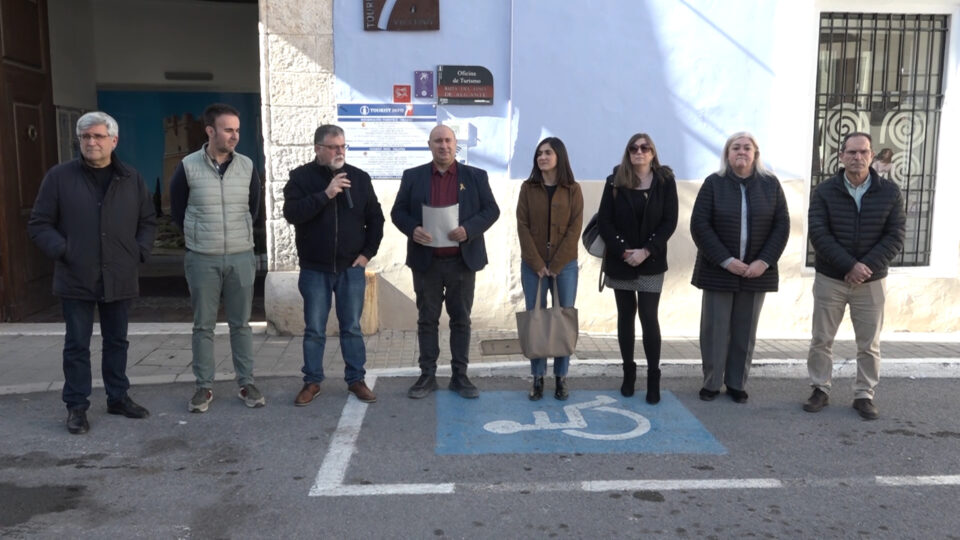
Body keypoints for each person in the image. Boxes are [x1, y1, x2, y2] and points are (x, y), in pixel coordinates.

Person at [28, 111, 157, 434]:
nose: (91, 142)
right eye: (85, 137)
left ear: (114, 140)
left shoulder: (131, 178)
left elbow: (147, 221)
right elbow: (39, 223)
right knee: (77, 345)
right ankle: (76, 406)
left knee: (117, 341)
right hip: (76, 275)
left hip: (119, 274)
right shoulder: (59, 177)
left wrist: (138, 251)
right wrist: (64, 250)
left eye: (98, 136)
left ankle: (118, 397)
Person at [390, 124, 500, 399]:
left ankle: (460, 377)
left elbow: (492, 210)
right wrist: (413, 228)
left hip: (462, 262)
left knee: (461, 320)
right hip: (426, 263)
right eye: (438, 141)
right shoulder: (413, 176)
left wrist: (469, 229)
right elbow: (397, 212)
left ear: (455, 144)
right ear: (429, 145)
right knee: (427, 320)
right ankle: (427, 376)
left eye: (448, 141)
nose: (444, 146)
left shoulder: (475, 177)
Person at [804, 132, 905, 420]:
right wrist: (849, 265)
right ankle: (820, 389)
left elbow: (895, 236)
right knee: (821, 338)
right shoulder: (824, 191)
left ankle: (864, 394)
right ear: (841, 156)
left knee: (869, 343)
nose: (857, 157)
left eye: (863, 152)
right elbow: (819, 234)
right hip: (831, 279)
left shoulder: (890, 192)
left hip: (871, 281)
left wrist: (864, 267)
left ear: (872, 156)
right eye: (851, 152)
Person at [170, 103, 263, 413]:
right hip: (202, 258)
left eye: (237, 130)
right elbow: (178, 211)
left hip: (240, 256)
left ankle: (246, 383)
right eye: (228, 130)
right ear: (210, 131)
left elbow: (253, 208)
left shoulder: (247, 166)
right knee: (203, 326)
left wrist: (237, 237)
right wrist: (200, 237)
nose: (235, 136)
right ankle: (203, 387)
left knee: (241, 325)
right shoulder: (187, 166)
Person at [283, 125, 384, 405]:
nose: (340, 151)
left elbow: (376, 219)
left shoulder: (359, 178)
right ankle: (312, 381)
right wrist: (326, 194)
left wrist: (367, 254)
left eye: (343, 146)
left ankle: (356, 380)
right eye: (333, 147)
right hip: (315, 268)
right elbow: (292, 213)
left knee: (351, 327)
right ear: (318, 149)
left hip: (351, 268)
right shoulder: (301, 178)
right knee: (315, 328)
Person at [690, 132, 789, 404]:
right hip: (718, 270)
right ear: (727, 154)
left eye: (747, 147)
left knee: (745, 331)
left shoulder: (770, 185)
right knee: (714, 329)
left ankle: (736, 383)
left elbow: (781, 225)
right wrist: (726, 260)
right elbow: (700, 225)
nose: (741, 152)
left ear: (755, 154)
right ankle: (712, 382)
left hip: (756, 273)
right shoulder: (714, 184)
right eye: (735, 148)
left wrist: (763, 262)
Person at [598, 133, 678, 404]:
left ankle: (653, 377)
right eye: (633, 148)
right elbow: (605, 221)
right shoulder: (615, 180)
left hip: (651, 261)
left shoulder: (665, 181)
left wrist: (646, 251)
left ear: (653, 153)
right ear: (628, 152)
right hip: (620, 260)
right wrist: (623, 251)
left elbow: (669, 221)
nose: (639, 152)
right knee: (625, 316)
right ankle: (628, 373)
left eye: (645, 148)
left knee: (648, 317)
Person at [516, 137, 583, 401]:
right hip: (532, 265)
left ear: (559, 157)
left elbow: (575, 228)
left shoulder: (573, 189)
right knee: (537, 318)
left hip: (564, 266)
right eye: (539, 153)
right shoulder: (528, 188)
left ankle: (561, 378)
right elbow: (522, 225)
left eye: (548, 153)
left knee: (563, 318)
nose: (542, 157)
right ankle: (537, 377)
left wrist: (556, 264)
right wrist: (536, 263)